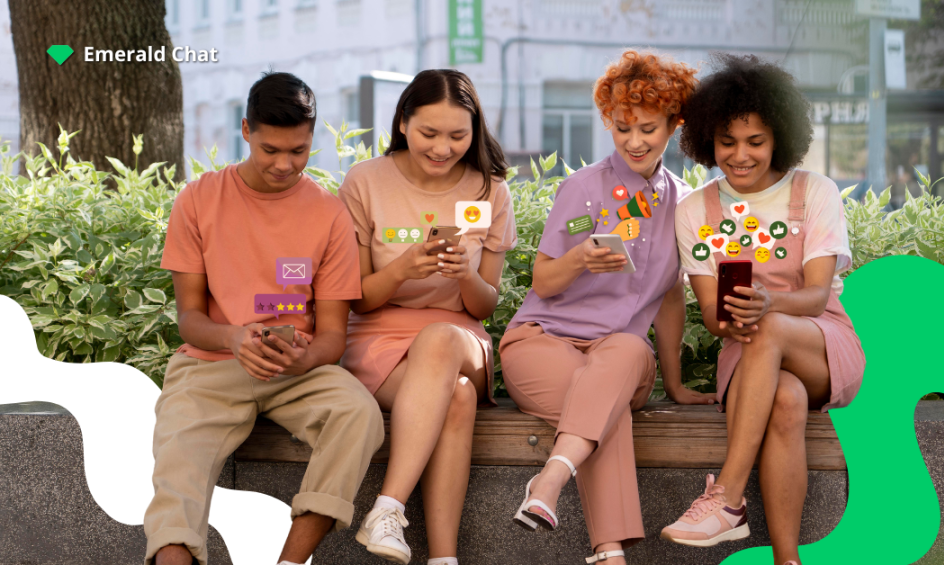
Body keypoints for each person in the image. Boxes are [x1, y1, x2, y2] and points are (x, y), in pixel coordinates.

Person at [145, 72, 384, 565]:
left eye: (298, 150)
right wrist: (234, 337)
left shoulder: (329, 214)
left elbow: (333, 337)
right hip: (211, 365)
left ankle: (289, 563)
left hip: (297, 370)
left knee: (359, 416)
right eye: (271, 148)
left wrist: (303, 358)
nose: (284, 164)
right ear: (246, 129)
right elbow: (189, 317)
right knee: (178, 472)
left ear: (312, 137)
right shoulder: (198, 199)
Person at [499, 50, 709, 565]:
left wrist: (677, 386)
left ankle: (550, 479)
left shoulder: (684, 203)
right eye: (622, 128)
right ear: (608, 123)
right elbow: (545, 281)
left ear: (674, 125)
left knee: (622, 352)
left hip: (618, 358)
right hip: (542, 344)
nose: (634, 141)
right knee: (604, 407)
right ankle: (609, 554)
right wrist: (578, 258)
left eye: (648, 128)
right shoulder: (584, 190)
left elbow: (668, 300)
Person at [661, 54, 865, 565]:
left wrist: (769, 304)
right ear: (708, 138)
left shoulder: (814, 192)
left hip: (821, 341)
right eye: (727, 142)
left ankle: (727, 497)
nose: (740, 155)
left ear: (779, 138)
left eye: (755, 141)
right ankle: (787, 560)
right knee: (787, 401)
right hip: (746, 353)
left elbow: (818, 296)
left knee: (773, 329)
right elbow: (711, 317)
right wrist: (733, 312)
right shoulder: (696, 210)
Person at [336, 69, 517, 565]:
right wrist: (402, 269)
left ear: (475, 131)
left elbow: (484, 304)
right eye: (429, 133)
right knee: (455, 398)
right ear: (402, 123)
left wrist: (465, 276)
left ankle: (387, 507)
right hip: (379, 337)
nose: (443, 148)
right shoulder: (365, 181)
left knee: (440, 338)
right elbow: (358, 299)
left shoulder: (491, 191)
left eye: (458, 135)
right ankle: (443, 558)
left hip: (461, 338)